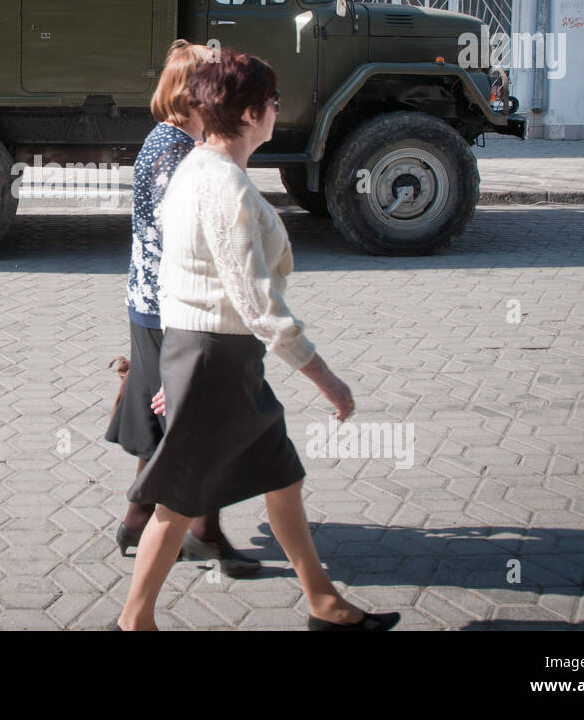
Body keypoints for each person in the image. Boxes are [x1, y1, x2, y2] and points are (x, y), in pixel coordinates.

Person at [113, 49, 401, 632]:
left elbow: (173, 275)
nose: (276, 110)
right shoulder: (219, 184)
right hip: (217, 357)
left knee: (282, 477)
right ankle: (132, 623)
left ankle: (324, 603)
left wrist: (176, 366)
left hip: (219, 358)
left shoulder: (203, 166)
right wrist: (326, 378)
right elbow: (257, 303)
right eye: (270, 102)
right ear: (248, 114)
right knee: (176, 503)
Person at [104, 40, 260, 578]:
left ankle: (139, 517)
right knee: (198, 423)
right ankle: (198, 531)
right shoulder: (175, 152)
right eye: (212, 80)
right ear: (191, 92)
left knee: (178, 422)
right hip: (173, 310)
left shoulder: (174, 141)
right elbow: (185, 240)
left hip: (154, 304)